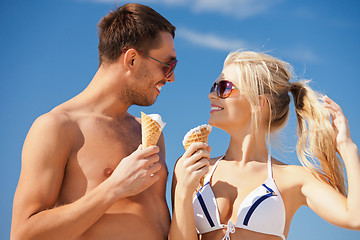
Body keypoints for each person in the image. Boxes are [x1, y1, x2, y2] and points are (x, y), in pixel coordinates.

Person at [11, 3, 177, 240]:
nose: (170, 78)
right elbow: (23, 233)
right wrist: (114, 188)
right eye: (168, 66)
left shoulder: (149, 133)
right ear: (131, 60)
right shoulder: (58, 127)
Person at [169, 51, 360, 240]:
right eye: (214, 86)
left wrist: (347, 147)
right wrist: (183, 193)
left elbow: (355, 218)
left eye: (224, 88)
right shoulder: (193, 167)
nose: (211, 95)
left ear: (258, 103)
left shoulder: (295, 178)